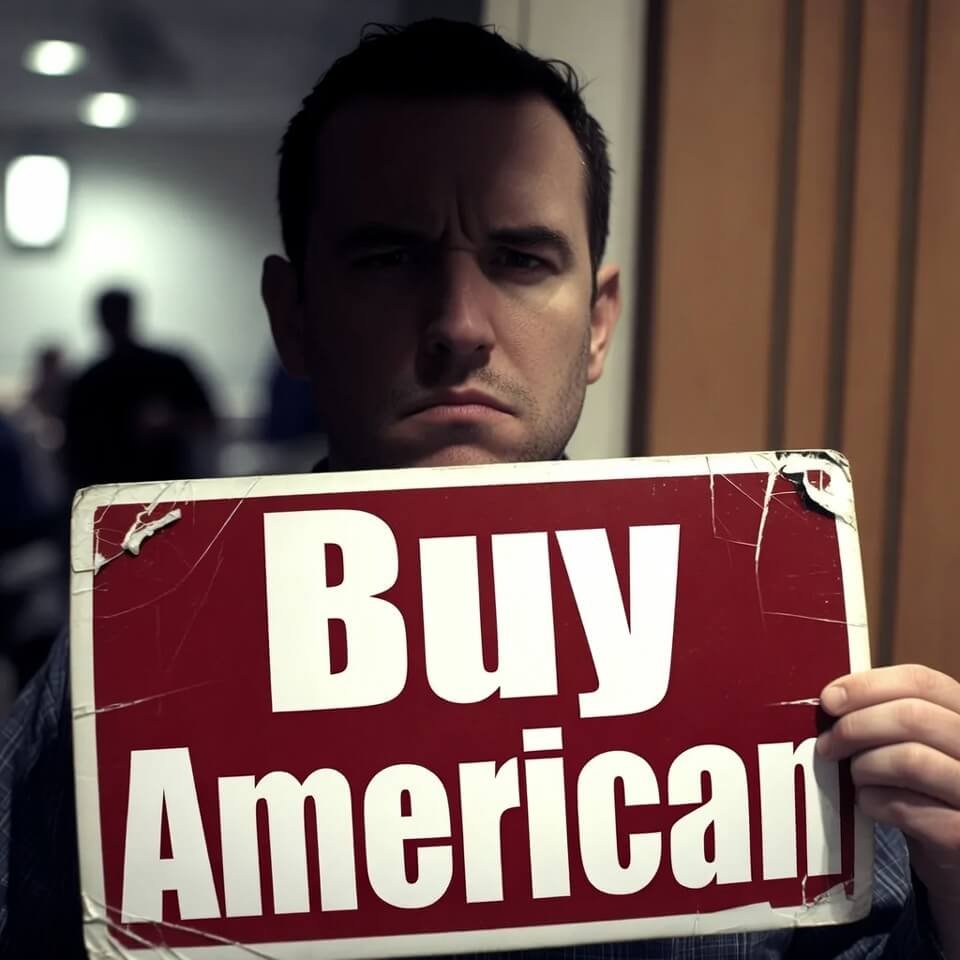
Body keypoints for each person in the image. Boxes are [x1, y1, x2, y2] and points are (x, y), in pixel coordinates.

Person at [0, 18, 956, 958]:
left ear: (596, 323)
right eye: (388, 257)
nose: (459, 322)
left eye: (520, 259)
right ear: (292, 318)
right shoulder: (127, 645)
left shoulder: (770, 636)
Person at [63, 287, 219, 492]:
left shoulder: (87, 379)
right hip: (162, 488)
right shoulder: (168, 365)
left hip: (122, 491)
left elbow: (206, 419)